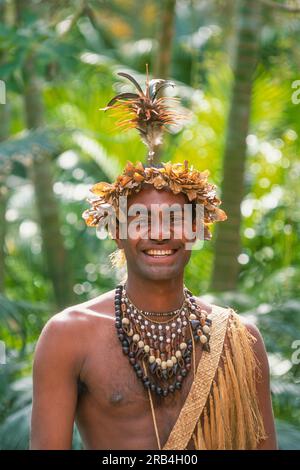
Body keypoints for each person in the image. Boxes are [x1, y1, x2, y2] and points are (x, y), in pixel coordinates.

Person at [30, 70, 277, 450]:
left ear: (198, 231)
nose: (159, 233)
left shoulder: (239, 340)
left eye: (176, 220)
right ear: (117, 232)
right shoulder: (69, 336)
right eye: (140, 221)